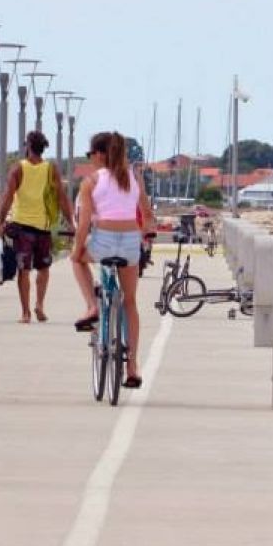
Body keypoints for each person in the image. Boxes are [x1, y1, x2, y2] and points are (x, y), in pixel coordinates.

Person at [71, 131, 156, 388]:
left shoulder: (91, 182)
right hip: (131, 241)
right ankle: (132, 365)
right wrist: (144, 233)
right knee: (129, 301)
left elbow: (84, 222)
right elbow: (147, 214)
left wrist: (77, 249)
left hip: (104, 240)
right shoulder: (134, 177)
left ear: (100, 154)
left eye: (90, 154)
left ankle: (92, 307)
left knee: (77, 261)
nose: (90, 159)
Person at [0, 131, 75, 323]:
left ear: (28, 146)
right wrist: (71, 222)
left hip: (22, 226)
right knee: (43, 267)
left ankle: (25, 313)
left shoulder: (18, 169)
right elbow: (62, 197)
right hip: (44, 227)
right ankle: (39, 304)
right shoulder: (51, 169)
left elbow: (7, 197)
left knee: (24, 270)